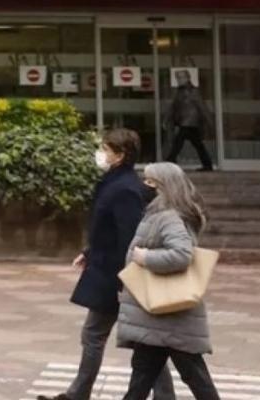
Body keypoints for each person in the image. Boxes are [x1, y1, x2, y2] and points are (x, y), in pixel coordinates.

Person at [38, 129, 175, 400]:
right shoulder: (115, 182)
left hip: (116, 276)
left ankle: (79, 394)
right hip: (110, 271)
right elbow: (109, 229)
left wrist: (124, 280)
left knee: (110, 336)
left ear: (120, 155)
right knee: (142, 340)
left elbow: (130, 236)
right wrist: (89, 251)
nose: (101, 154)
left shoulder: (124, 188)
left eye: (106, 149)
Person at [117, 162, 221, 400]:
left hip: (169, 316)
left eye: (150, 182)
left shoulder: (168, 217)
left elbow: (182, 255)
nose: (144, 186)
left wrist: (145, 257)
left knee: (193, 377)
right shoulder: (160, 214)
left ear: (165, 186)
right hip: (158, 317)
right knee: (141, 379)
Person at [164, 71, 215, 171]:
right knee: (197, 144)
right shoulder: (179, 91)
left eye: (181, 78)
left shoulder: (193, 91)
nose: (179, 80)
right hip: (186, 122)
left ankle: (170, 161)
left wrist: (210, 122)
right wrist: (167, 119)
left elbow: (202, 107)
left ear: (188, 78)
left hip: (189, 122)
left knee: (178, 142)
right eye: (178, 78)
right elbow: (173, 107)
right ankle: (207, 164)